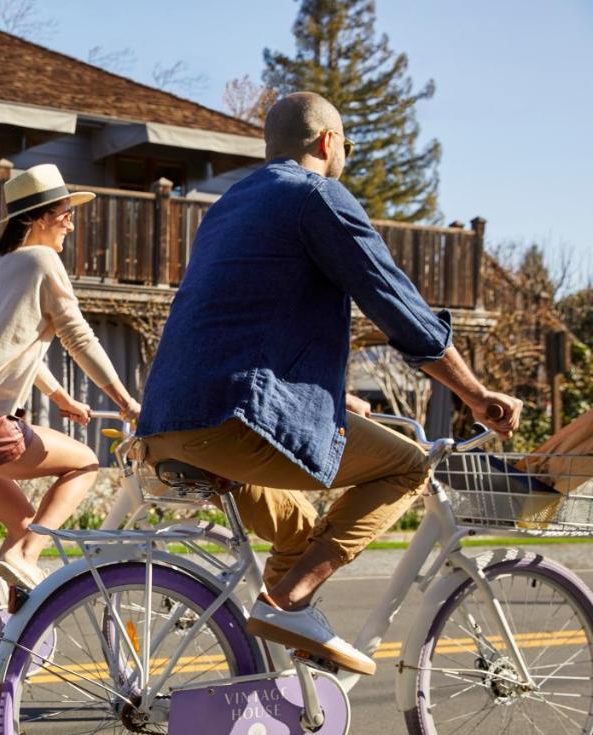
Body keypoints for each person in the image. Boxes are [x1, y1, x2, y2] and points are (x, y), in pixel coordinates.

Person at [136, 92, 522, 676]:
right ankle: (290, 603)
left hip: (166, 422)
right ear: (327, 142)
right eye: (347, 144)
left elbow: (246, 318)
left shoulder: (227, 207)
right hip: (236, 423)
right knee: (409, 465)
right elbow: (400, 309)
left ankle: (269, 691)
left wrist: (319, 390)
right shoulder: (318, 196)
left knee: (298, 538)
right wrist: (476, 394)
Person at [0, 164, 140, 589]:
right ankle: (27, 554)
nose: (70, 225)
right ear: (37, 218)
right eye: (65, 214)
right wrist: (126, 401)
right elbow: (79, 338)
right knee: (85, 463)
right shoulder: (42, 260)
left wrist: (60, 398)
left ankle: (8, 638)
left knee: (24, 526)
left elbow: (9, 346)